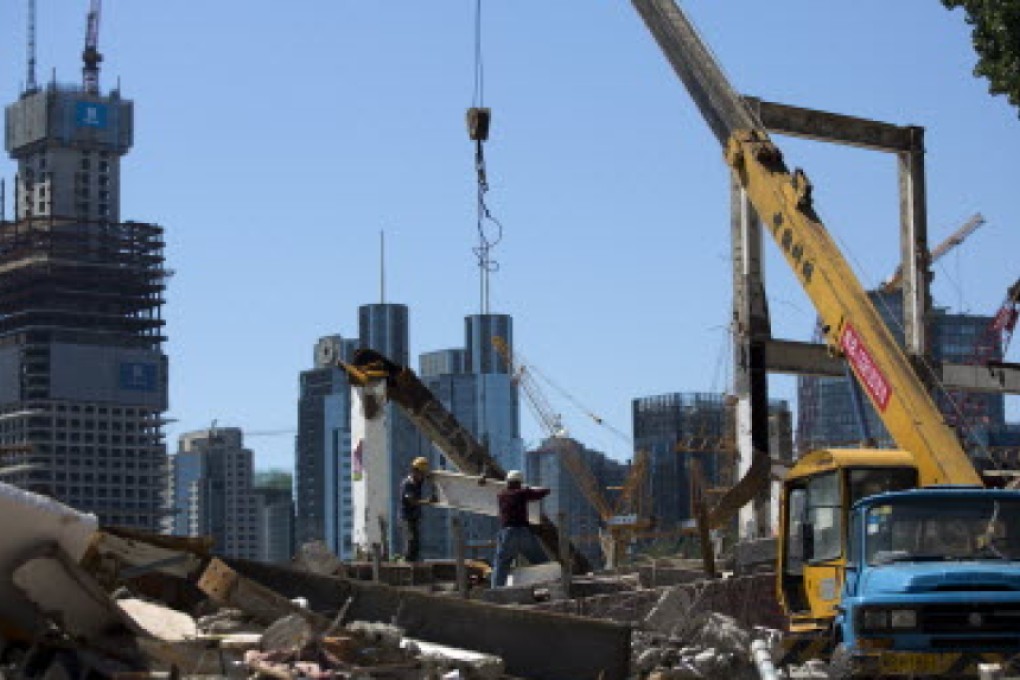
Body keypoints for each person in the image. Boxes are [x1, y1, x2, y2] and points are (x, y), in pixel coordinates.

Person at [492, 470, 550, 588]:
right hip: (523, 533)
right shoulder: (522, 493)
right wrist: (546, 490)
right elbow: (540, 494)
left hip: (507, 534)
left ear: (507, 482)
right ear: (519, 483)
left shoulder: (501, 495)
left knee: (501, 565)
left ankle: (495, 591)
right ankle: (551, 585)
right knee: (541, 562)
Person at [400, 456, 436, 562]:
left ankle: (413, 562)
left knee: (416, 543)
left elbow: (428, 478)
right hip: (407, 518)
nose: (423, 476)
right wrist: (427, 501)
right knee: (411, 542)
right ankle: (408, 564)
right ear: (415, 471)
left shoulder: (417, 481)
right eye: (422, 473)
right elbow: (412, 501)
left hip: (414, 517)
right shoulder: (408, 484)